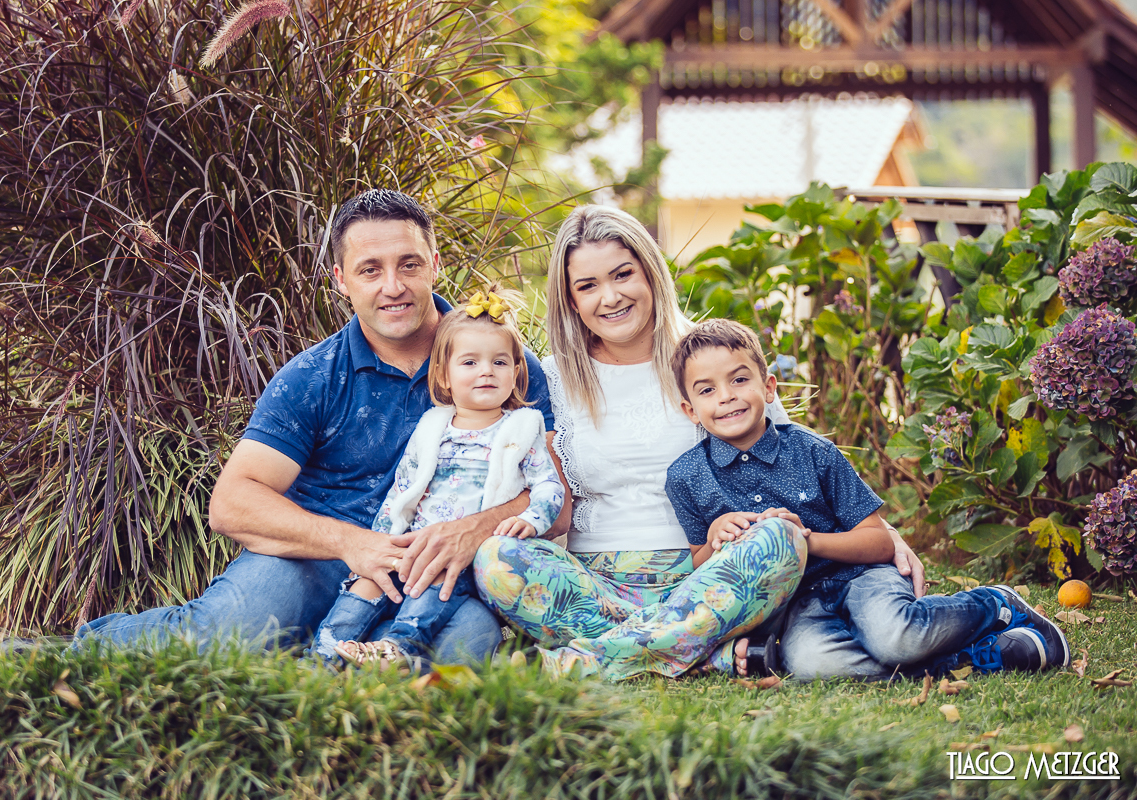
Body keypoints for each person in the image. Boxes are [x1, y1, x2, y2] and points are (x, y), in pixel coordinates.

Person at [68, 190, 556, 663]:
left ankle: (333, 655)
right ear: (342, 280)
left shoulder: (500, 360)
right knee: (226, 635)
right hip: (315, 558)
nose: (393, 286)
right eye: (370, 270)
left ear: (434, 261)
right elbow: (232, 504)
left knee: (464, 648)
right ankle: (82, 647)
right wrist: (353, 543)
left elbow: (558, 503)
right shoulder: (314, 376)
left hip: (434, 569)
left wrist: (473, 531)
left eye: (408, 264)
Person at [473, 204, 812, 682]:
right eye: (587, 286)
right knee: (496, 559)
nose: (609, 297)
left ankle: (588, 662)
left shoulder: (710, 359)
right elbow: (549, 504)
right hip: (595, 583)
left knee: (781, 540)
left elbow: (795, 458)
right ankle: (702, 653)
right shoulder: (551, 379)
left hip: (708, 572)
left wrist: (883, 532)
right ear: (570, 300)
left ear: (650, 274)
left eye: (622, 274)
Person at [665, 318, 1071, 680]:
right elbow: (699, 567)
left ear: (768, 387)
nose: (726, 396)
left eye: (739, 380)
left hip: (859, 577)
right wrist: (717, 536)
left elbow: (878, 543)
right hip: (798, 604)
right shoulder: (686, 477)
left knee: (895, 637)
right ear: (691, 410)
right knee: (813, 665)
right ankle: (970, 658)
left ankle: (994, 603)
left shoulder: (815, 453)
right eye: (707, 389)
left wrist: (806, 540)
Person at [310, 290, 564, 670]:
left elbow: (548, 486)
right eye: (470, 362)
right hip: (410, 541)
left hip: (461, 556)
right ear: (444, 374)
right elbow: (402, 487)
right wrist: (383, 542)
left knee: (432, 582)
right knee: (365, 587)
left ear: (517, 372)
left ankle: (397, 648)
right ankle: (323, 657)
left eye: (499, 362)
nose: (486, 371)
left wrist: (530, 520)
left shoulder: (521, 428)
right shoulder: (433, 426)